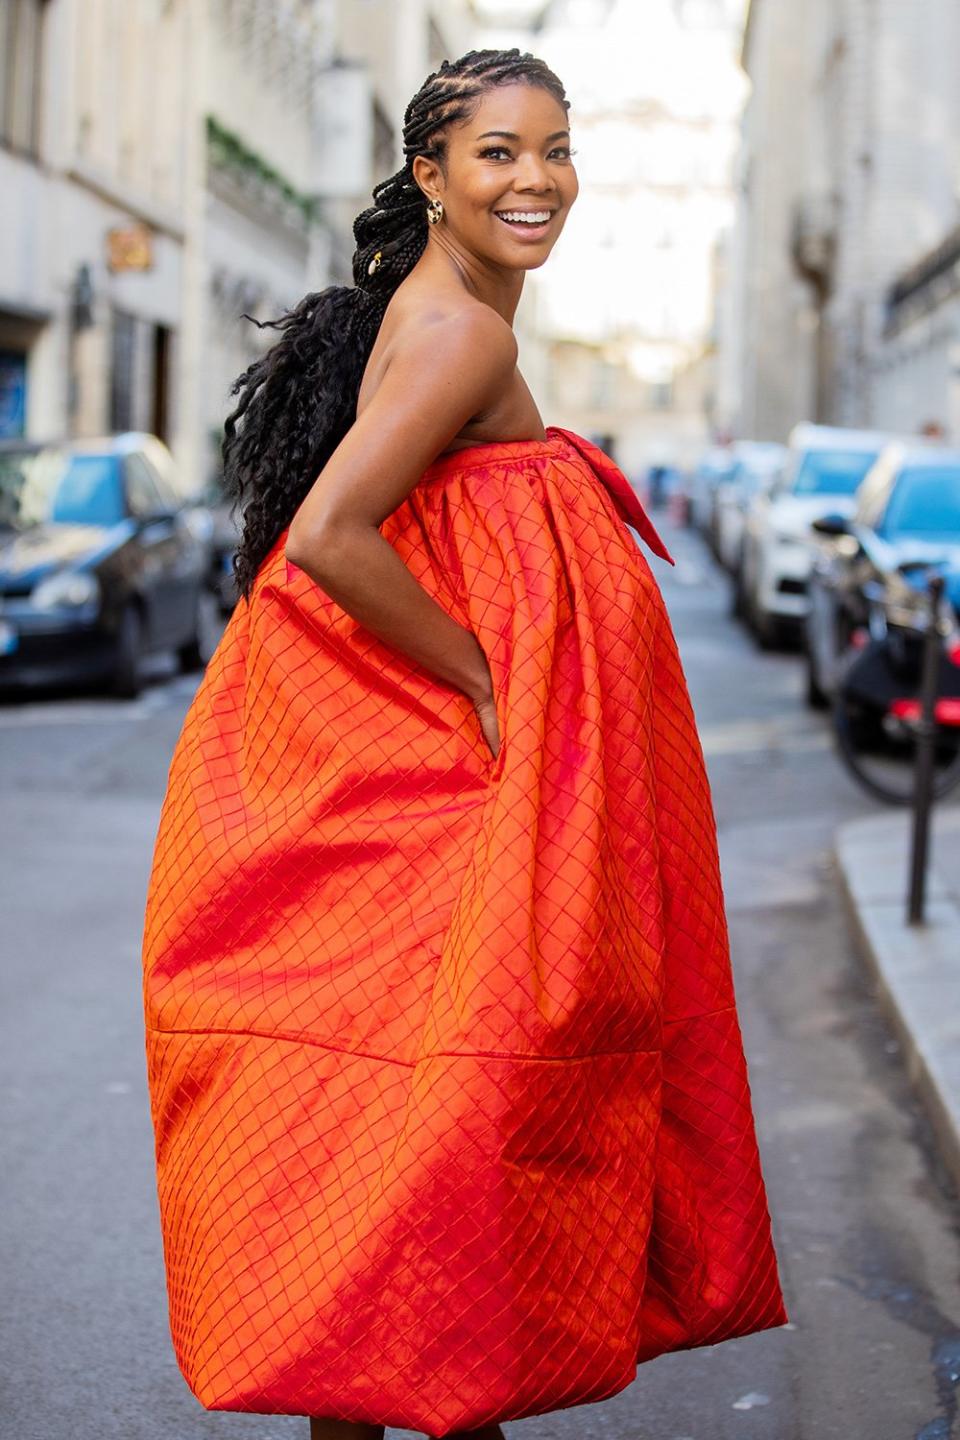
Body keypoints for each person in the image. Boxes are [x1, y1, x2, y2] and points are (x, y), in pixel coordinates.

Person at [140, 48, 788, 1440]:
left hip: (435, 783)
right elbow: (329, 533)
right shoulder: (462, 333)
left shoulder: (441, 312)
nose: (537, 177)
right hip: (460, 776)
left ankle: (384, 1390)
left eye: (556, 148)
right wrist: (486, 676)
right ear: (428, 175)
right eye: (497, 152)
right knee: (459, 1128)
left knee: (402, 1136)